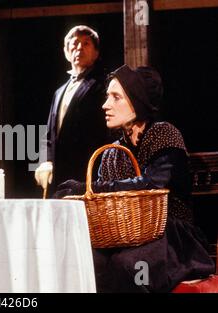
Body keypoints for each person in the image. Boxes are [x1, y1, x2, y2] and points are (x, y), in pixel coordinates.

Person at [56, 65, 215, 292]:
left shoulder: (164, 134)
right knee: (86, 260)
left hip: (171, 236)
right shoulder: (113, 152)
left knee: (128, 266)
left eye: (116, 97)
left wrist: (89, 186)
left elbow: (151, 184)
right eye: (107, 96)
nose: (105, 105)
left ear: (138, 102)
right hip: (125, 238)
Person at [35, 25, 109, 196]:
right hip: (58, 178)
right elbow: (49, 135)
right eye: (74, 44)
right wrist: (46, 162)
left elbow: (104, 133)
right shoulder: (59, 92)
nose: (79, 48)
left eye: (86, 43)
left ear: (96, 52)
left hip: (85, 176)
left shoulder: (103, 85)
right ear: (66, 52)